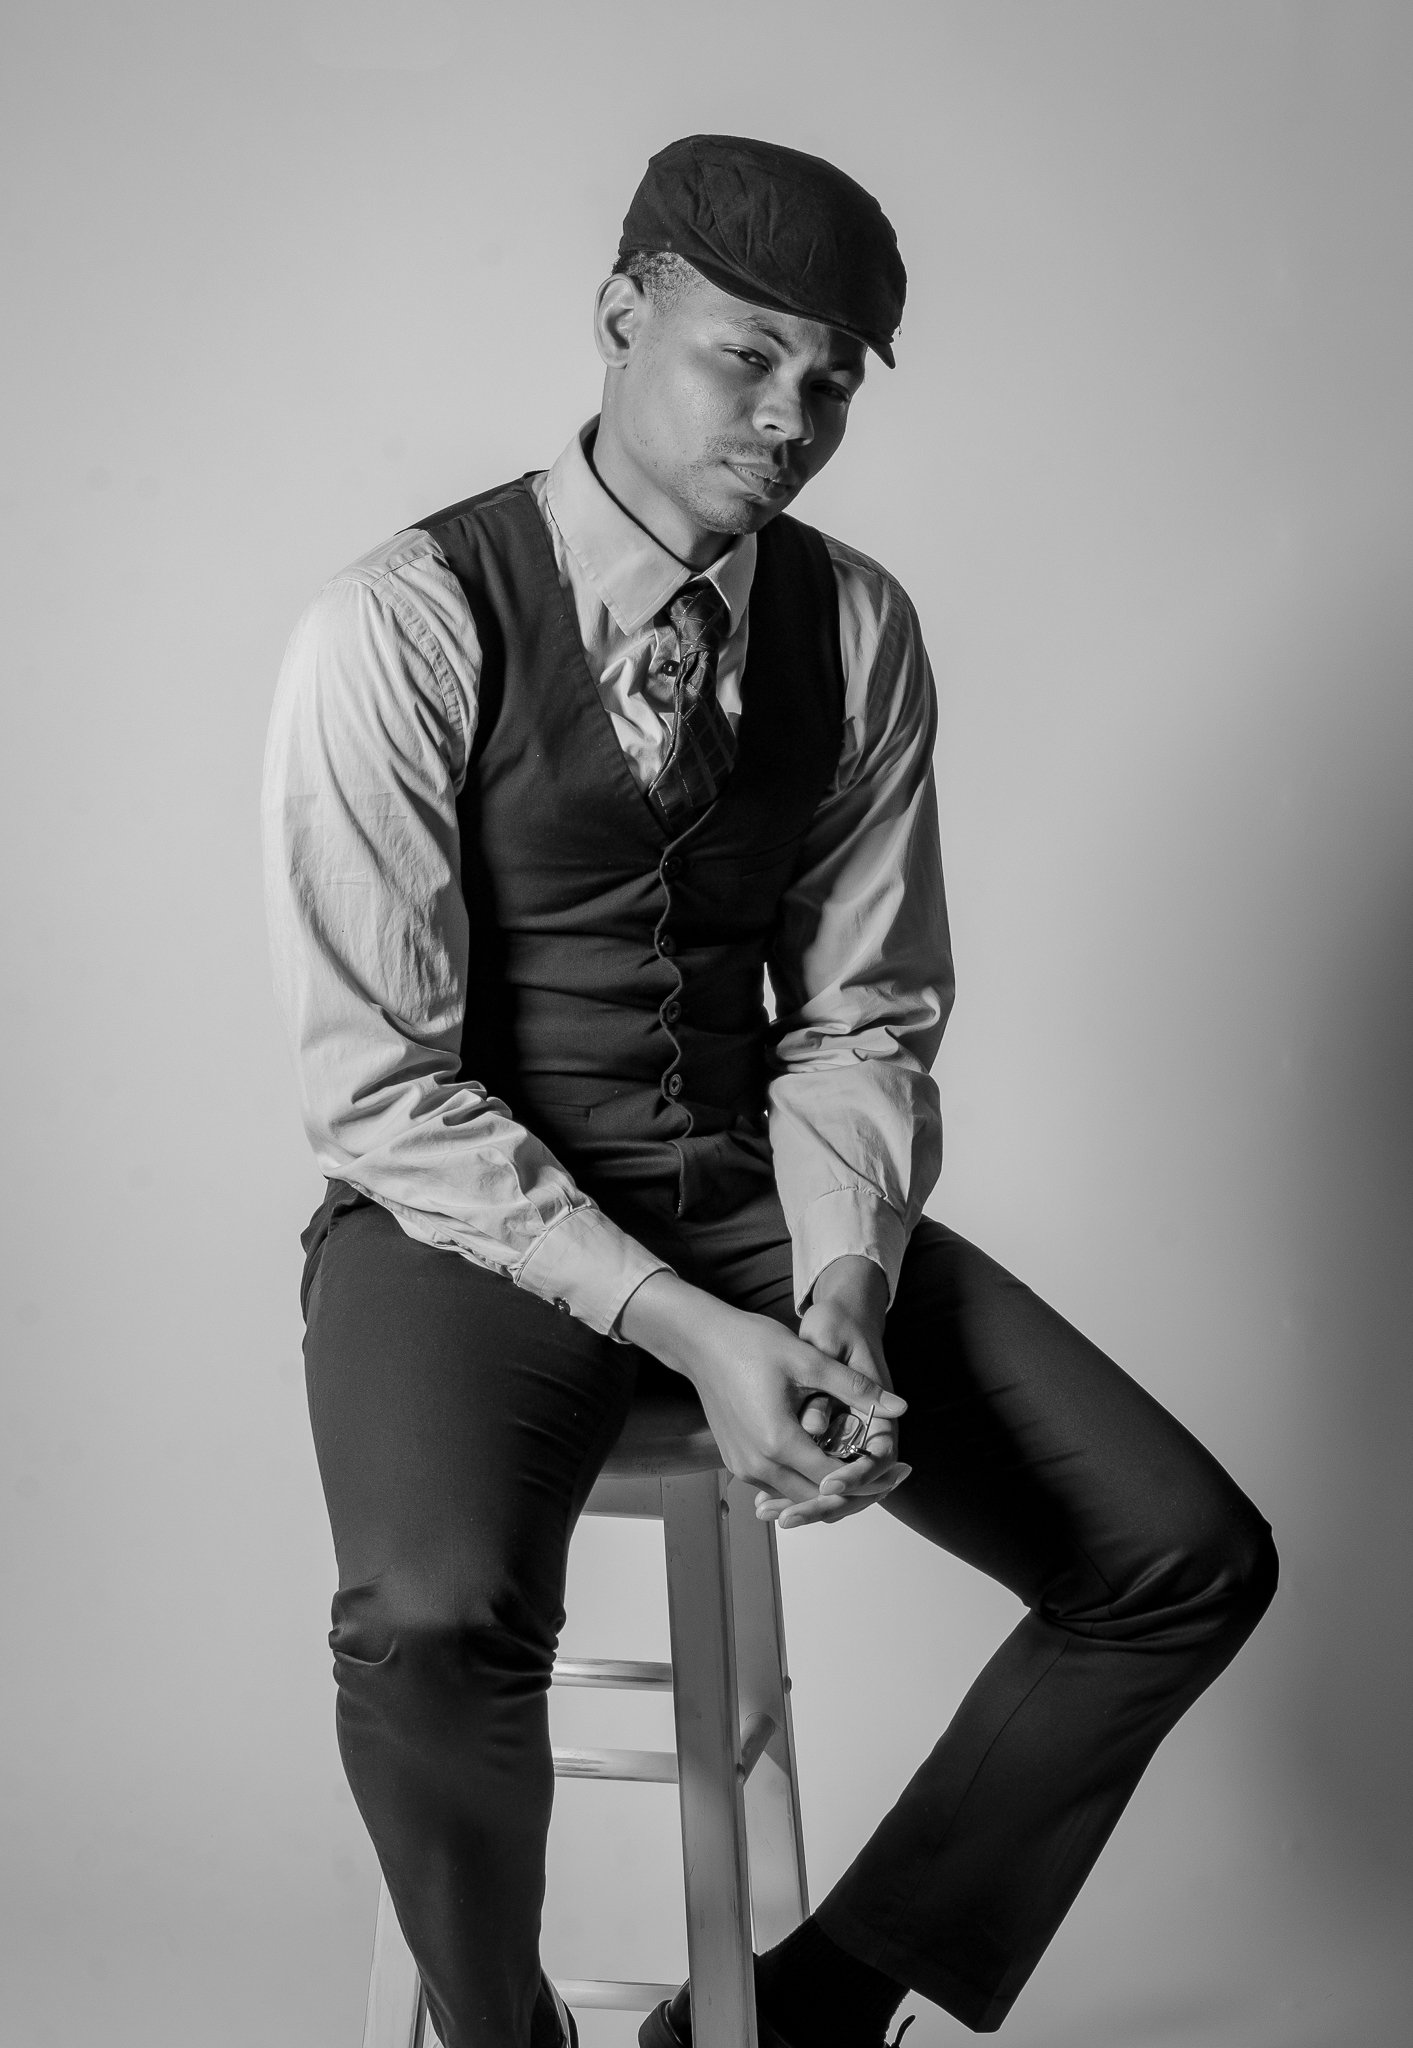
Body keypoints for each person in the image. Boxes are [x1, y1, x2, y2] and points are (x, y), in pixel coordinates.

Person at [262, 134, 1277, 2048]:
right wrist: (688, 1334)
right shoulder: (400, 620)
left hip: (746, 1186)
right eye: (748, 354)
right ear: (621, 316)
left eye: (832, 378)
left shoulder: (859, 625)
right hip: (453, 1220)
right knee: (424, 1618)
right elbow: (379, 1092)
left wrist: (831, 1296)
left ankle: (806, 2017)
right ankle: (502, 2032)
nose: (794, 414)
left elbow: (862, 1013)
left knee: (1179, 1554)